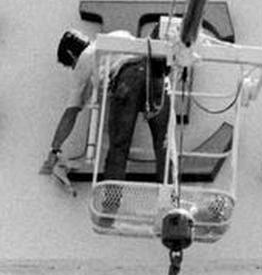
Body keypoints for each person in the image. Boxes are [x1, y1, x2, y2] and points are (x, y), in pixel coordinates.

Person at [39, 26, 172, 183]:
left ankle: (112, 200)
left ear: (71, 54)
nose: (73, 68)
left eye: (71, 65)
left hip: (126, 80)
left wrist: (54, 149)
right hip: (157, 77)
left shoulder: (85, 58)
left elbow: (71, 112)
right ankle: (170, 196)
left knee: (119, 145)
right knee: (164, 143)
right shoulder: (118, 35)